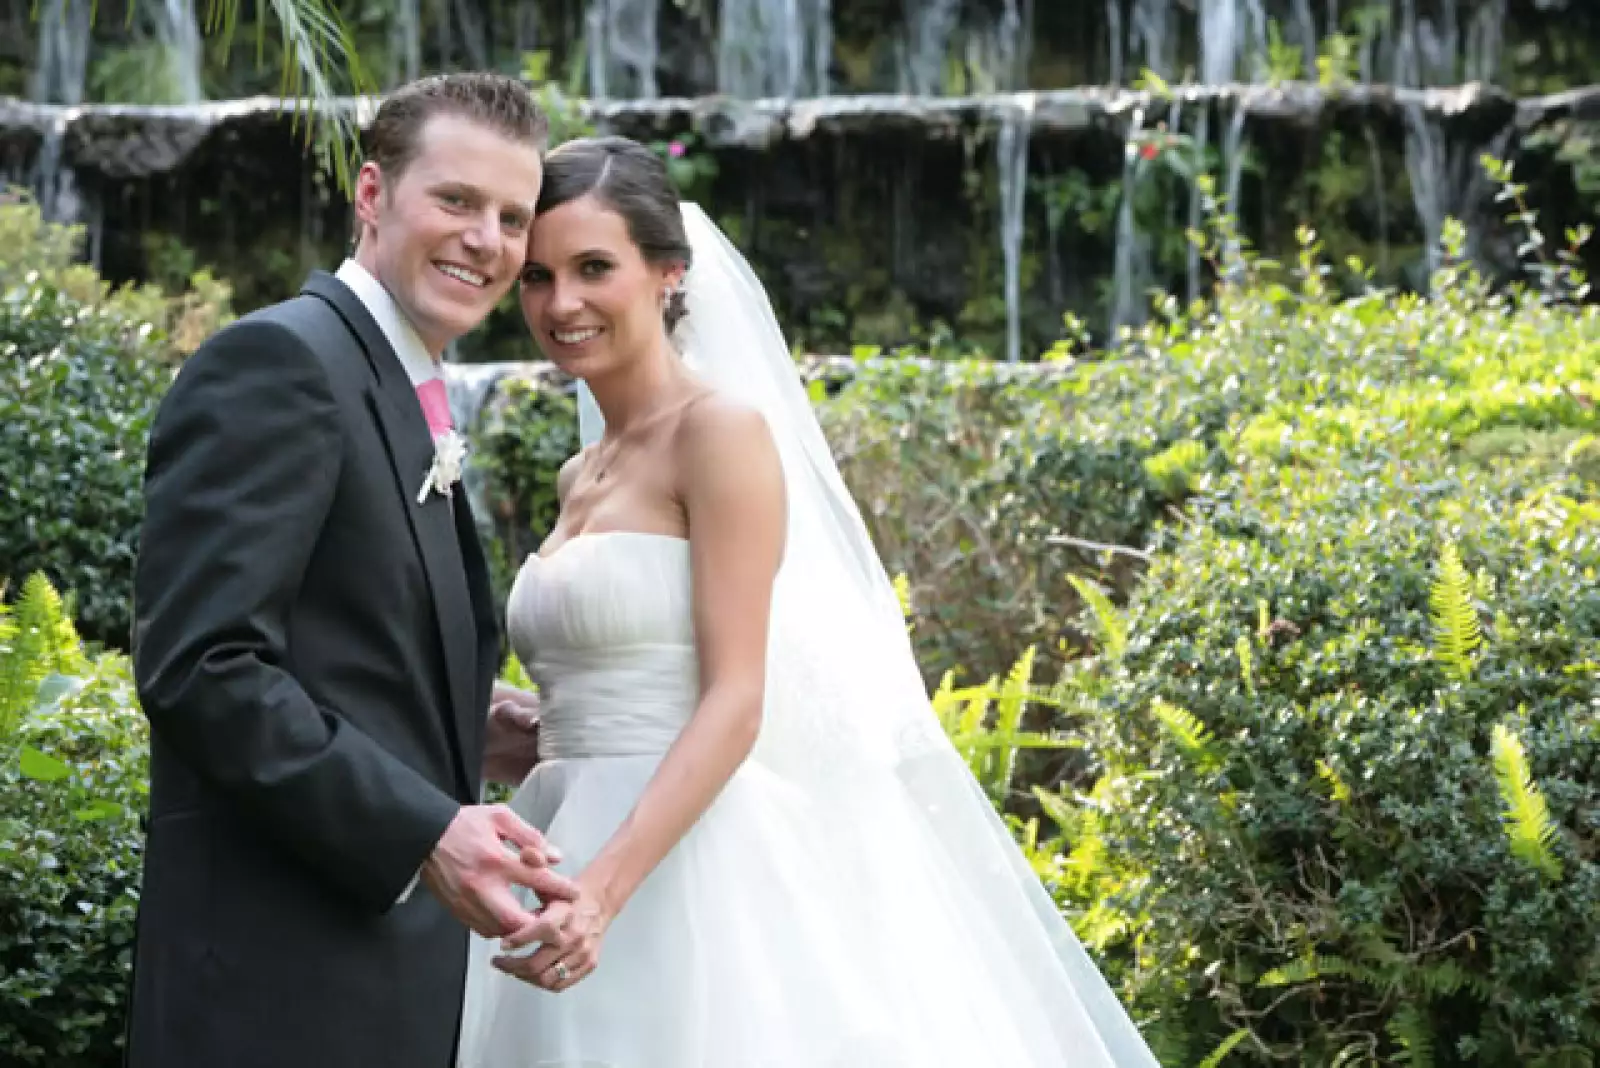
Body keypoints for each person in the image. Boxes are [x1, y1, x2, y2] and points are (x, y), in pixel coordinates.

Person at [455, 134, 1161, 1067]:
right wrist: (524, 726)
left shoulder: (720, 434)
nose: (561, 303)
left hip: (679, 866)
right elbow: (631, 671)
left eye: (595, 268)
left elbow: (737, 696)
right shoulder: (576, 472)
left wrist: (602, 894)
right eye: (538, 277)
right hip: (556, 838)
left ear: (668, 273)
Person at [126, 73, 577, 1068]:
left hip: (377, 984)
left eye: (512, 217)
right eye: (455, 201)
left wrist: (478, 721)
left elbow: (345, 645)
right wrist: (425, 830)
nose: (487, 240)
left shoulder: (398, 378)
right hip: (272, 994)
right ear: (372, 194)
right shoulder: (280, 365)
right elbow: (203, 667)